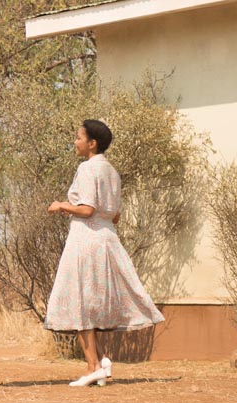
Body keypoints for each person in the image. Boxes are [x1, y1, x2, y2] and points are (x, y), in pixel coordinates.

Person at [44, 119, 165, 387]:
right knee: (90, 302)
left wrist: (61, 205)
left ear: (92, 143)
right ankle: (100, 361)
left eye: (79, 137)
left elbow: (87, 209)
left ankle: (93, 367)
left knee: (81, 303)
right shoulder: (112, 171)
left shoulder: (87, 168)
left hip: (86, 240)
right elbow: (115, 215)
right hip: (107, 238)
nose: (75, 142)